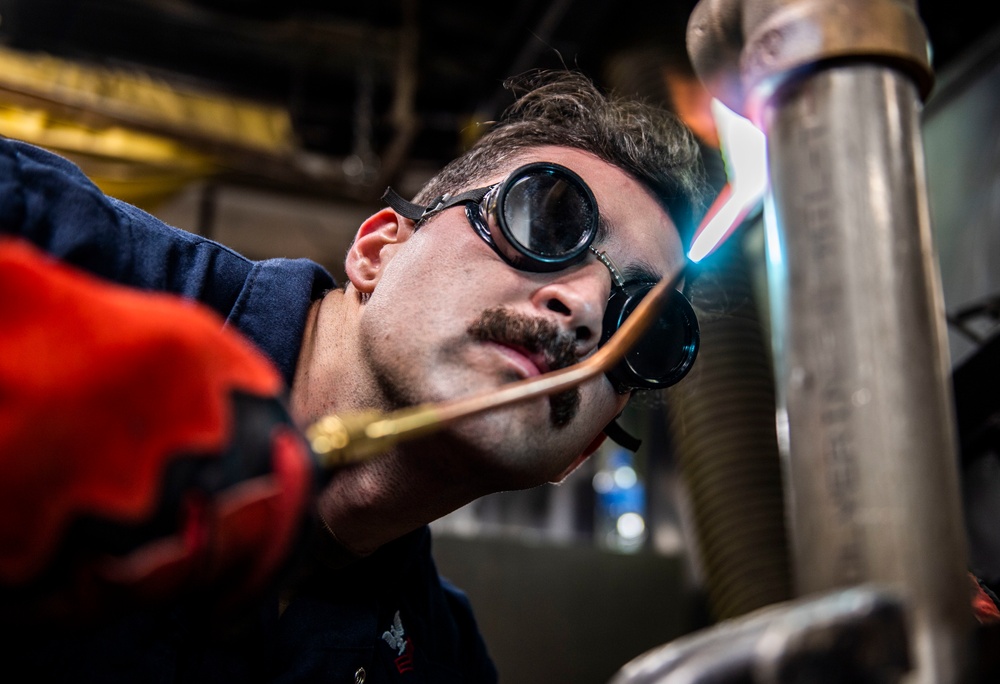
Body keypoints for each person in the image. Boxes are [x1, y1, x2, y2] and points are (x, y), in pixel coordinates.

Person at [0, 68, 708, 682]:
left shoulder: (439, 663)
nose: (583, 308)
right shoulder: (55, 240)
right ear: (378, 251)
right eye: (547, 224)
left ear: (580, 453)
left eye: (641, 325)